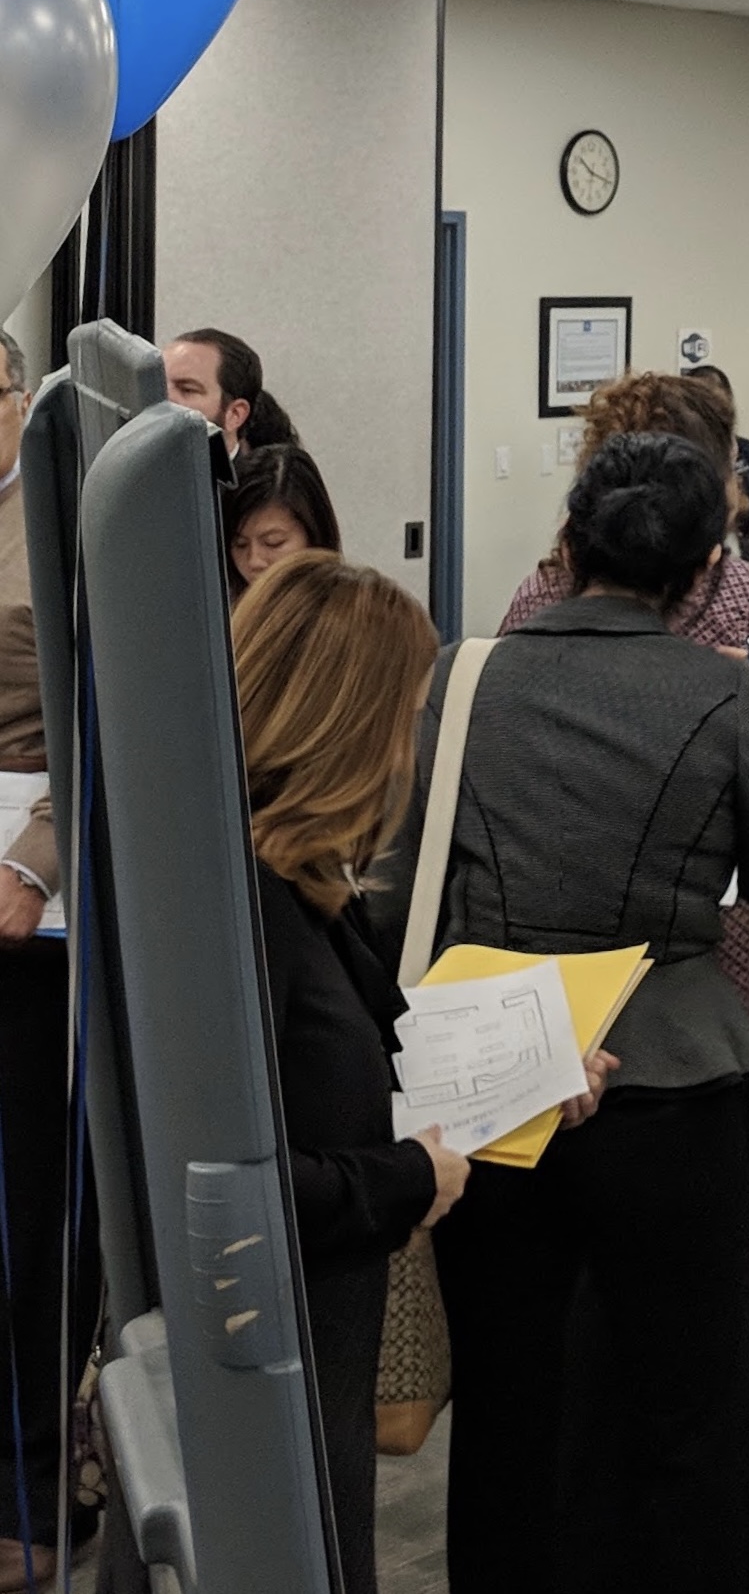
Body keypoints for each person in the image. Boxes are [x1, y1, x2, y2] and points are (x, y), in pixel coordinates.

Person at [385, 431, 749, 1594]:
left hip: (498, 1080)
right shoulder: (726, 692)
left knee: (508, 1394)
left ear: (571, 539)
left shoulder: (465, 674)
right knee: (685, 1401)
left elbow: (402, 884)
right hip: (670, 1076)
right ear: (704, 566)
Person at [500, 371, 749, 1594]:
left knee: (572, 1307)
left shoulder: (527, 613)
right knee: (721, 1315)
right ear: (721, 496)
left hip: (555, 1017)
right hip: (738, 1012)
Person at [230, 553, 480, 1594]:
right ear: (350, 727)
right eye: (408, 717)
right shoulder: (245, 912)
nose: (410, 752)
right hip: (265, 1381)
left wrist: (528, 1077)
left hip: (313, 1361)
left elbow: (369, 1052)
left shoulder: (302, 888)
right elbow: (235, 1189)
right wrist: (409, 1180)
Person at [0, 332, 92, 1591]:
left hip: (26, 915)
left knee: (24, 1231)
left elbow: (100, 713)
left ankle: (28, 1493)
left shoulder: (64, 517)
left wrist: (33, 864)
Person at [223, 443, 341, 593]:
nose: (254, 561)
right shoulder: (220, 602)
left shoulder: (355, 604)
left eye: (273, 542)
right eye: (240, 544)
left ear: (314, 537)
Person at [688, 364, 749, 540]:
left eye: (720, 401)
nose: (714, 411)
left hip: (748, 546)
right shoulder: (681, 456)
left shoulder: (745, 450)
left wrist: (746, 505)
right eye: (705, 402)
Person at [161, 326, 264, 459]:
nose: (163, 397)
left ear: (235, 414)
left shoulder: (264, 472)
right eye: (158, 385)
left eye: (187, 389)